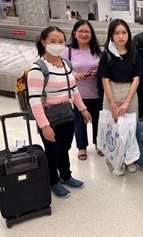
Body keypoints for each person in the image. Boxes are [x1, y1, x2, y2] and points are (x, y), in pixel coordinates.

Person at [27, 26, 92, 198]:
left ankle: (66, 176)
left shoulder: (66, 64)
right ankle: (53, 181)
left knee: (64, 147)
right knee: (52, 151)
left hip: (67, 114)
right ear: (43, 43)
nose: (57, 45)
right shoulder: (37, 69)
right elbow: (34, 101)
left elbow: (74, 90)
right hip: (50, 117)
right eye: (52, 41)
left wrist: (83, 109)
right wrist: (44, 126)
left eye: (61, 41)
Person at [97, 19, 143, 176]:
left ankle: (129, 159)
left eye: (124, 32)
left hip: (130, 93)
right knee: (112, 129)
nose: (121, 36)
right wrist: (112, 104)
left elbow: (137, 78)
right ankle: (112, 160)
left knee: (130, 128)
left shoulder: (133, 54)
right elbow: (105, 80)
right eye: (116, 33)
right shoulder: (106, 55)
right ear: (111, 35)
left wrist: (126, 102)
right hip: (111, 91)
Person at [61, 20, 102, 161]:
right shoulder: (68, 51)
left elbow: (103, 68)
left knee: (98, 120)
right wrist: (74, 74)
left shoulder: (97, 50)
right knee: (79, 121)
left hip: (95, 93)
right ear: (75, 33)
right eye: (81, 31)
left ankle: (99, 144)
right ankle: (82, 147)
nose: (84, 34)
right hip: (77, 94)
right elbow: (62, 69)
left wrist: (98, 72)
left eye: (87, 32)